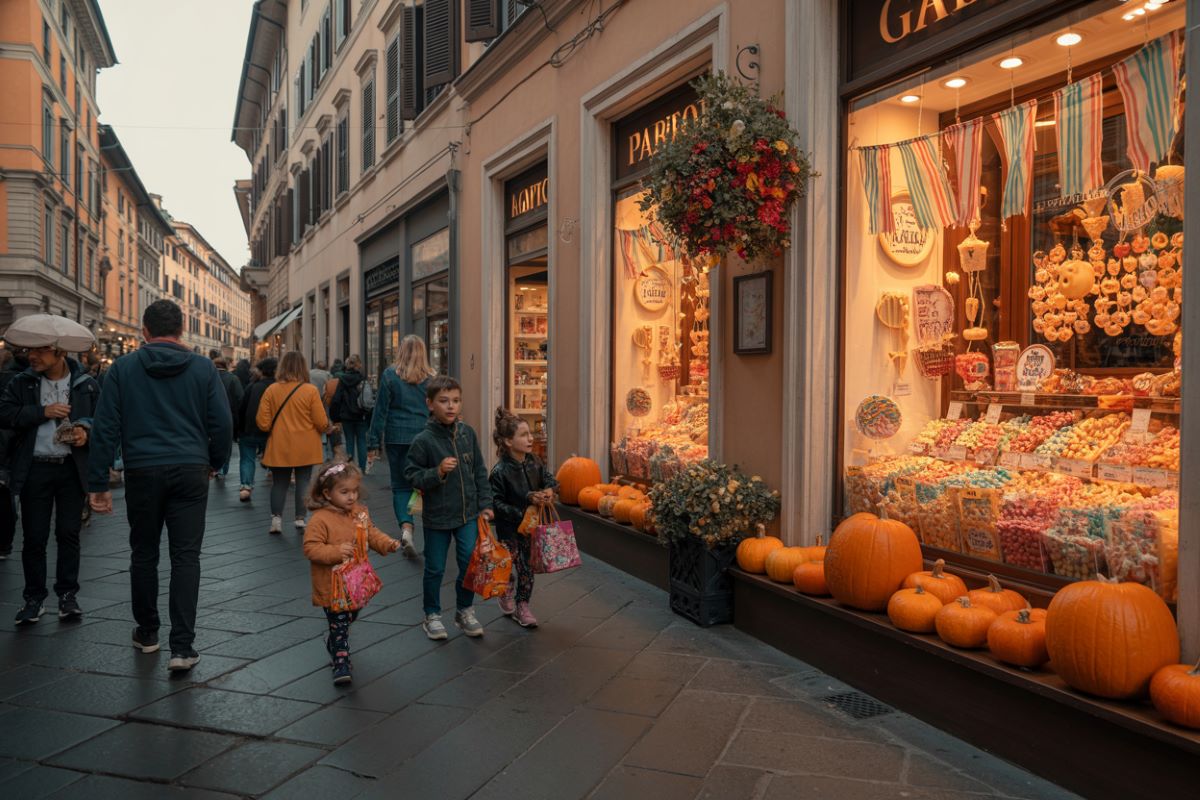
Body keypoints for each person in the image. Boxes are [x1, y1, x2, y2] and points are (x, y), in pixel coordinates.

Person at [87, 299, 232, 671]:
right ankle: (182, 647)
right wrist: (215, 462)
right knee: (186, 557)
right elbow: (222, 423)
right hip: (190, 469)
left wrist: (97, 481)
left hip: (143, 470)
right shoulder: (202, 368)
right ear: (182, 330)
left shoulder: (123, 368)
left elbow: (105, 427)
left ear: (145, 331)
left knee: (144, 553)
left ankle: (147, 632)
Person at [0, 339, 99, 624]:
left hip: (70, 467)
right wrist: (42, 412)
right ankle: (34, 598)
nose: (32, 355)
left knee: (69, 534)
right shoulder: (22, 382)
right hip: (35, 467)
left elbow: (102, 419)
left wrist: (85, 429)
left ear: (60, 352)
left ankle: (67, 596)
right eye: (30, 350)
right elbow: (4, 414)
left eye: (40, 350)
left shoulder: (85, 384)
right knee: (34, 537)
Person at [404, 375, 494, 640]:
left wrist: (486, 505)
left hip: (467, 514)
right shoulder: (423, 440)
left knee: (469, 563)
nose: (451, 406)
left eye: (455, 400)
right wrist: (437, 472)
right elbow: (411, 475)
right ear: (430, 404)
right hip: (437, 516)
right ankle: (431, 614)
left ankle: (464, 610)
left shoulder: (468, 434)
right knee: (435, 568)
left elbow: (479, 471)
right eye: (444, 401)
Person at [302, 461, 401, 685]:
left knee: (350, 616)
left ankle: (336, 643)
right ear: (327, 493)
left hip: (355, 582)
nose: (351, 497)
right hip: (331, 583)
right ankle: (341, 662)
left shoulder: (360, 513)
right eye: (344, 492)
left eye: (354, 491)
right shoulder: (320, 519)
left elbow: (372, 533)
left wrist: (388, 543)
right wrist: (336, 551)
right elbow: (311, 548)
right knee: (339, 623)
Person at [489, 408, 558, 629]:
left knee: (527, 568)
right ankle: (507, 588)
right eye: (523, 435)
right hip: (509, 529)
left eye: (530, 434)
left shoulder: (535, 461)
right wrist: (522, 509)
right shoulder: (499, 471)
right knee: (508, 565)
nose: (530, 438)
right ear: (508, 442)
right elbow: (496, 503)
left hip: (531, 528)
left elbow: (549, 479)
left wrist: (549, 490)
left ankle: (523, 606)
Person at [368, 335, 432, 556]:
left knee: (400, 485)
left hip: (396, 437)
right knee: (425, 484)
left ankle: (406, 528)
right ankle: (433, 532)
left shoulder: (389, 375)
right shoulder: (431, 379)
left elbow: (380, 411)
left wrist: (373, 442)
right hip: (424, 438)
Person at [256, 351, 328, 534]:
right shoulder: (310, 390)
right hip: (306, 445)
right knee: (303, 481)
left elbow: (262, 423)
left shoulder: (271, 390)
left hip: (279, 444)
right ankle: (300, 518)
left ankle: (276, 520)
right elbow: (321, 422)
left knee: (279, 483)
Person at [235, 357, 276, 502]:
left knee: (247, 458)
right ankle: (275, 476)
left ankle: (246, 486)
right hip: (273, 431)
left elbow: (242, 409)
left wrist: (238, 430)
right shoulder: (279, 388)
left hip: (249, 429)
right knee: (274, 456)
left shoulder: (252, 386)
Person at [330, 355, 371, 470]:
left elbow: (337, 399)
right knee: (362, 441)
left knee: (349, 441)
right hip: (361, 414)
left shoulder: (342, 380)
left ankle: (350, 467)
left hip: (346, 415)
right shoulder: (362, 379)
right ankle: (362, 468)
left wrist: (335, 417)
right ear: (359, 365)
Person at [0, 348, 22, 561]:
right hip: (9, 444)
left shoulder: (11, 379)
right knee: (7, 495)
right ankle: (5, 543)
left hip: (5, 443)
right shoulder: (17, 379)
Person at [212, 357, 244, 481]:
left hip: (209, 415)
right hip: (228, 415)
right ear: (226, 365)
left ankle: (213, 466)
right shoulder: (233, 378)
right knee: (226, 443)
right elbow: (240, 397)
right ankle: (222, 468)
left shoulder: (208, 377)